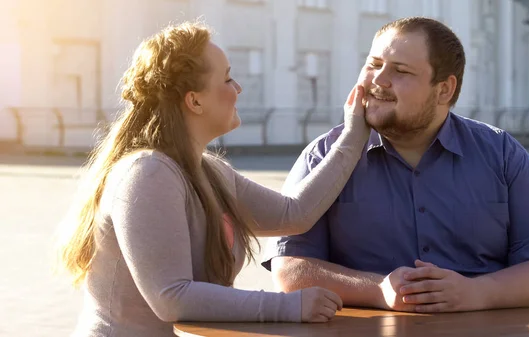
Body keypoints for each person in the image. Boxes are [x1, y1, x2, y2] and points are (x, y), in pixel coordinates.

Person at [55, 21, 371, 337]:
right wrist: (290, 306)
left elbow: (295, 213)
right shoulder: (148, 173)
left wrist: (355, 132)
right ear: (195, 101)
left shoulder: (210, 172)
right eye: (228, 78)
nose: (238, 89)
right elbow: (172, 297)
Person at [262, 17, 529, 314]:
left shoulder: (501, 154)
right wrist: (378, 290)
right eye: (373, 64)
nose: (379, 80)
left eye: (400, 71)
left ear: (444, 90)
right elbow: (290, 268)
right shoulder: (322, 155)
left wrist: (476, 292)